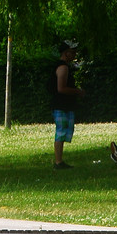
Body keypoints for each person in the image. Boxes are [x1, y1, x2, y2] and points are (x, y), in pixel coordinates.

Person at [50, 40, 83, 169]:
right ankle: (58, 162)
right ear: (65, 53)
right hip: (61, 105)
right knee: (61, 132)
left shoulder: (65, 67)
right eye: (72, 52)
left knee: (64, 132)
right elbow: (61, 88)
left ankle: (60, 161)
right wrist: (78, 92)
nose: (74, 54)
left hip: (64, 105)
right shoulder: (63, 67)